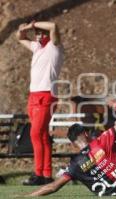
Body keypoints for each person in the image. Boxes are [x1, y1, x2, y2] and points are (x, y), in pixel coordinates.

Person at [16, 21, 64, 185]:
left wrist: (32, 25)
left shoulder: (54, 45)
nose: (39, 36)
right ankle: (46, 175)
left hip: (46, 95)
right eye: (37, 33)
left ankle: (38, 174)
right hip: (33, 95)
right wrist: (24, 29)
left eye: (42, 33)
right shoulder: (37, 47)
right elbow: (19, 37)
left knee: (35, 134)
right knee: (42, 135)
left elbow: (53, 26)